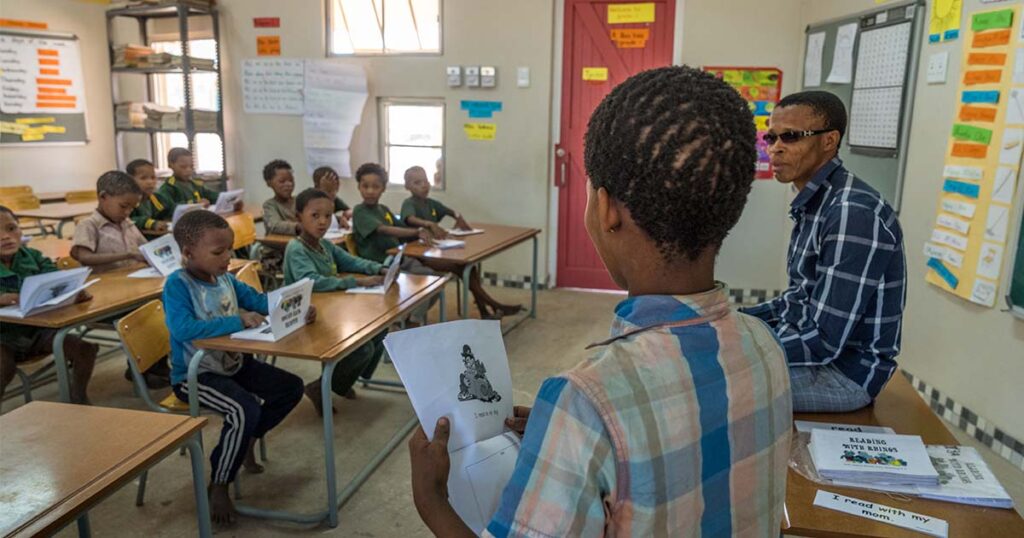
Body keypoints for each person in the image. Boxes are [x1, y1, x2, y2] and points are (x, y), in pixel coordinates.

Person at [408, 66, 792, 536]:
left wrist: (433, 501)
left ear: (607, 209)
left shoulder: (588, 401)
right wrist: (565, 437)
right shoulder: (765, 345)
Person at [741, 90, 907, 413]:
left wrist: (742, 351)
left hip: (844, 376)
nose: (775, 148)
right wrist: (737, 323)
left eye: (790, 137)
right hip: (817, 356)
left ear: (829, 141)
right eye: (771, 137)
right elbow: (799, 298)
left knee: (715, 389)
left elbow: (824, 342)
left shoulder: (851, 213)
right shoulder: (816, 202)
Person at [163, 209, 312, 527]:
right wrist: (237, 319)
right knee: (243, 409)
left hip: (232, 362)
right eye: (218, 252)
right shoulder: (178, 285)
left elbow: (260, 301)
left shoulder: (226, 279)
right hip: (195, 374)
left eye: (229, 249)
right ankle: (219, 482)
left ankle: (244, 441)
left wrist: (293, 307)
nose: (228, 257)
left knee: (290, 387)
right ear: (189, 253)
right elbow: (183, 328)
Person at [284, 188, 389, 415]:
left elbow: (351, 261)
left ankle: (341, 381)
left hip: (330, 308)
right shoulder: (296, 249)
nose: (322, 222)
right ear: (298, 216)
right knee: (362, 347)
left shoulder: (325, 246)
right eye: (315, 215)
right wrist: (356, 283)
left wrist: (378, 268)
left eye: (327, 216)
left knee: (380, 328)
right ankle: (324, 386)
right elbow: (311, 281)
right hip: (305, 317)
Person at [0, 206, 98, 404]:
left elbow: (55, 280)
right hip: (4, 336)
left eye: (11, 228)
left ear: (20, 230)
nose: (5, 237)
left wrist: (73, 293)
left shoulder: (33, 256)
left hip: (39, 330)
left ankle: (78, 398)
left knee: (84, 349)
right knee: (2, 367)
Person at [400, 165, 522, 319]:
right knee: (461, 267)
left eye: (425, 181)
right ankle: (494, 306)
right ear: (407, 187)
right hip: (418, 255)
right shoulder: (409, 203)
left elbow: (450, 211)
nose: (423, 185)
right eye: (417, 183)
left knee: (469, 268)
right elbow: (409, 218)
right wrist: (428, 224)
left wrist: (458, 217)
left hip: (433, 249)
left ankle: (485, 310)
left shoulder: (430, 203)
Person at [70, 171, 148, 272]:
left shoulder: (127, 223)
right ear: (103, 197)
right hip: (103, 283)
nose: (127, 212)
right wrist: (128, 255)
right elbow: (85, 257)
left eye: (132, 208)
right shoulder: (89, 225)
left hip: (129, 279)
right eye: (123, 206)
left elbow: (145, 247)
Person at [158, 147, 241, 211]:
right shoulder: (167, 188)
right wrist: (195, 204)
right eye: (183, 167)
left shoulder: (194, 184)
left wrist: (230, 201)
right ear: (170, 165)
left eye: (191, 167)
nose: (188, 170)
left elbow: (211, 196)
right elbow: (169, 208)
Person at [261, 159, 300, 272]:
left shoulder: (299, 200)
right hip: (277, 255)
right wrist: (297, 227)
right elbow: (274, 225)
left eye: (291, 180)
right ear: (269, 183)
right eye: (282, 181)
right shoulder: (270, 205)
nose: (288, 184)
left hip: (298, 250)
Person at [127, 158, 174, 234]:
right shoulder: (128, 202)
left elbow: (171, 211)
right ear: (130, 180)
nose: (150, 182)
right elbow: (127, 220)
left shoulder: (158, 198)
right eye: (143, 178)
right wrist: (150, 223)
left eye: (153, 177)